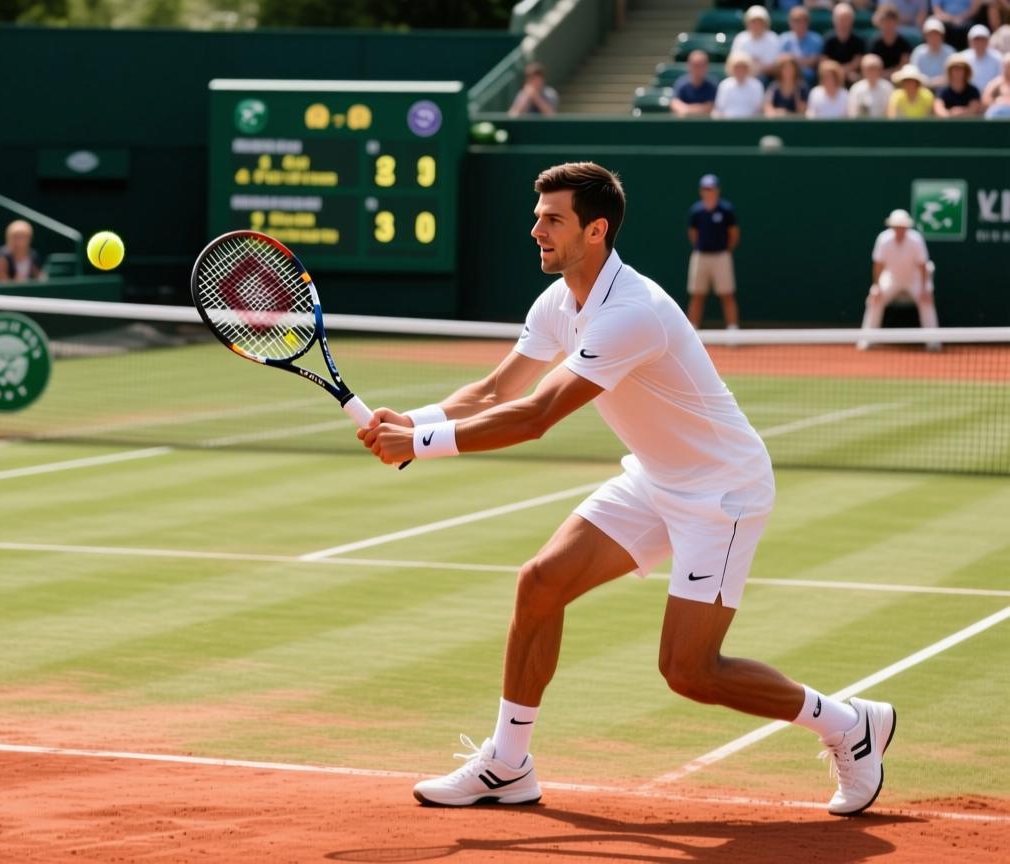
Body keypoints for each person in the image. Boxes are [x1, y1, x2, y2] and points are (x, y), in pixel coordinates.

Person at [358, 161, 897, 818]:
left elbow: (535, 417)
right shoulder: (558, 302)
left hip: (721, 493)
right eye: (537, 217)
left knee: (690, 671)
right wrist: (413, 421)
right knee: (541, 583)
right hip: (654, 477)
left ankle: (848, 725)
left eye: (552, 219)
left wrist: (416, 446)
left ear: (596, 230)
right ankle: (508, 764)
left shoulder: (631, 313)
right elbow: (495, 390)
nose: (535, 230)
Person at [858, 208, 940, 350]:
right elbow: (878, 266)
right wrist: (877, 287)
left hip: (915, 279)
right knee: (874, 299)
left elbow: (923, 266)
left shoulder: (916, 240)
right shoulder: (883, 239)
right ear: (892, 227)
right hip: (891, 278)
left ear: (907, 227)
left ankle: (933, 342)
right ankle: (868, 339)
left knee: (926, 301)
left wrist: (925, 287)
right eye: (897, 227)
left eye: (902, 227)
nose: (899, 230)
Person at [685, 174, 741, 330]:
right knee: (697, 295)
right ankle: (692, 331)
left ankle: (733, 330)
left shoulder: (726, 210)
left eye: (711, 188)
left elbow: (734, 234)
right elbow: (693, 234)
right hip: (701, 256)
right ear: (701, 191)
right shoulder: (696, 212)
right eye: (705, 188)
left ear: (717, 190)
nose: (708, 191)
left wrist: (725, 250)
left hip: (721, 257)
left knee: (727, 294)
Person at [731, 5, 783, 79]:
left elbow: (774, 66)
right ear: (747, 23)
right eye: (753, 22)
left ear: (766, 23)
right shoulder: (741, 38)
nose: (757, 25)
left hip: (767, 77)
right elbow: (735, 62)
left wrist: (754, 67)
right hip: (743, 76)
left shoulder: (772, 38)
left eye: (760, 22)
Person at [779, 5, 826, 84]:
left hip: (809, 78)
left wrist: (793, 60)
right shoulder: (784, 39)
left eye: (804, 20)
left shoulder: (816, 40)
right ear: (790, 22)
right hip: (787, 76)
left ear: (808, 22)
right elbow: (781, 61)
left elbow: (815, 61)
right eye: (796, 20)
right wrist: (804, 61)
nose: (800, 23)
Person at [823, 2, 868, 82]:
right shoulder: (828, 39)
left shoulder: (859, 40)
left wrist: (842, 71)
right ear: (834, 20)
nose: (843, 22)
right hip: (832, 76)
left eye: (846, 19)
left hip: (853, 75)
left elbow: (857, 62)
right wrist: (839, 73)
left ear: (852, 20)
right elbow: (825, 62)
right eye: (840, 19)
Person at [713, 52, 766, 117]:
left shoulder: (756, 85)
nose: (740, 70)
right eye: (737, 67)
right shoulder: (725, 85)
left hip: (750, 124)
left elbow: (758, 109)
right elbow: (719, 108)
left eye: (743, 67)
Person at [870, 4, 916, 75]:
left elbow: (904, 67)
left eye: (890, 22)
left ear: (896, 23)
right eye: (885, 22)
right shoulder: (874, 44)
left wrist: (886, 74)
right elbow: (872, 68)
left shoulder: (904, 44)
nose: (887, 26)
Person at [912, 17, 958, 87]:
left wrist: (933, 83)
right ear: (925, 36)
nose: (933, 37)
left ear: (942, 36)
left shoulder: (950, 52)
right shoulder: (918, 52)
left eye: (936, 34)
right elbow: (914, 75)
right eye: (930, 34)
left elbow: (954, 75)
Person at [671, 50, 718, 116]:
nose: (698, 69)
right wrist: (699, 109)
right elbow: (675, 104)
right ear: (688, 65)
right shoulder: (681, 83)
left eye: (701, 65)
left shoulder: (712, 84)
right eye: (695, 65)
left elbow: (712, 106)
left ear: (707, 66)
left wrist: (687, 109)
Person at [958, 24, 1004, 89]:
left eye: (982, 39)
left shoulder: (998, 57)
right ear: (969, 41)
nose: (979, 42)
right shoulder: (962, 58)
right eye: (976, 39)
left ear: (988, 40)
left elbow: (1001, 79)